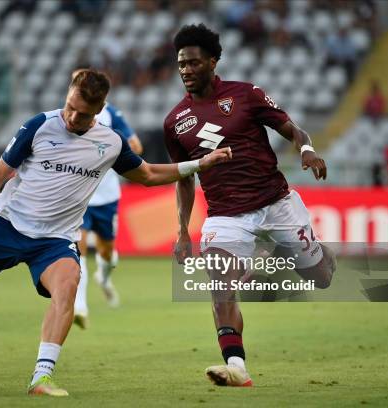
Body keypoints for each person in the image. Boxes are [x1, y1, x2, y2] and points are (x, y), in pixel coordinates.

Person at [0, 69, 232, 397]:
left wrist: (199, 165)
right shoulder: (39, 126)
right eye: (69, 106)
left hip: (54, 242)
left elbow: (148, 174)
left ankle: (42, 376)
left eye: (82, 113)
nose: (72, 117)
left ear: (99, 110)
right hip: (7, 227)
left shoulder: (110, 143)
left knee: (67, 286)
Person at [163, 24, 336, 388]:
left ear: (213, 61)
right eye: (181, 64)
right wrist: (181, 230)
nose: (186, 70)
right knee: (220, 284)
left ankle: (313, 249)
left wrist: (306, 150)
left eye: (193, 63)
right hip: (226, 214)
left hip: (276, 203)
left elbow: (292, 129)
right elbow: (184, 178)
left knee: (321, 278)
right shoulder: (175, 122)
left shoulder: (245, 94)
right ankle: (237, 366)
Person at [73, 101, 143, 329]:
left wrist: (112, 150)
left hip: (107, 198)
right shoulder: (70, 114)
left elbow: (137, 147)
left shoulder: (111, 114)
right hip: (81, 196)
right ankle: (80, 307)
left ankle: (103, 277)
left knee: (107, 253)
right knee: (78, 250)